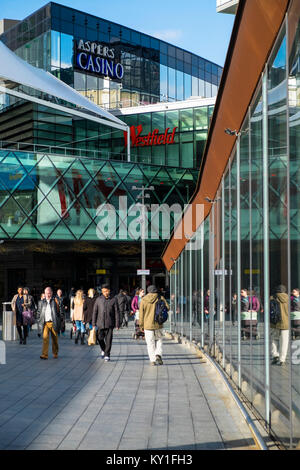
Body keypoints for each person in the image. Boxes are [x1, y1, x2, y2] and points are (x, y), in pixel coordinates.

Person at [139, 285, 169, 366]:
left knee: (150, 342)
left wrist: (141, 325)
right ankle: (158, 354)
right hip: (158, 324)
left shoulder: (143, 300)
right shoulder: (160, 297)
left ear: (148, 291)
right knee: (159, 340)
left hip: (147, 325)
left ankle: (152, 360)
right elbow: (168, 308)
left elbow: (141, 314)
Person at [92, 284, 119, 362]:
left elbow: (116, 312)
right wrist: (93, 323)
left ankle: (107, 354)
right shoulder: (98, 299)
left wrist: (117, 324)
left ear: (109, 291)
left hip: (110, 323)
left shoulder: (114, 299)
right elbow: (95, 312)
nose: (105, 293)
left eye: (106, 291)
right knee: (99, 338)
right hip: (100, 323)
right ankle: (104, 349)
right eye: (103, 291)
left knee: (109, 340)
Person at [37, 287, 61, 359]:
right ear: (44, 294)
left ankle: (55, 352)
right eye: (46, 293)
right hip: (45, 323)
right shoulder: (41, 302)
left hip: (53, 322)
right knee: (45, 338)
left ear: (52, 293)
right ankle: (44, 354)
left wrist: (60, 319)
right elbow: (38, 312)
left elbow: (60, 311)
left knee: (55, 339)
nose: (48, 295)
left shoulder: (55, 301)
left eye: (49, 293)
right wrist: (38, 319)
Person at [270, 285, 289, 366]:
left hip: (275, 322)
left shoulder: (272, 298)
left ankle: (275, 355)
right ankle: (282, 359)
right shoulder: (289, 299)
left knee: (274, 339)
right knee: (284, 341)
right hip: (285, 323)